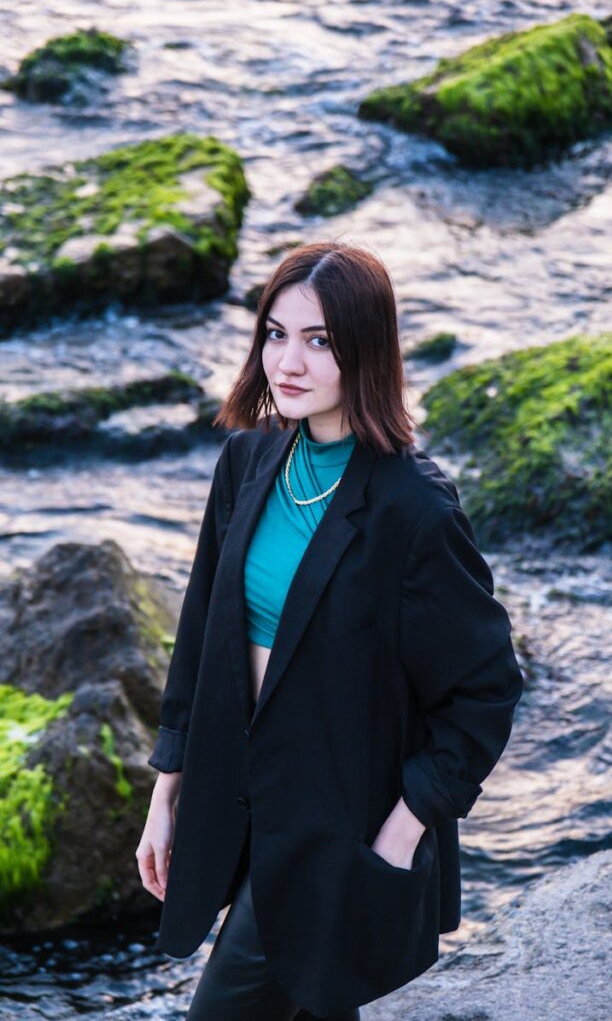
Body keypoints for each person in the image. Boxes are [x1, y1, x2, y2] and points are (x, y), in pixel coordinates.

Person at [136, 240, 524, 1019]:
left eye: (319, 341)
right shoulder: (247, 462)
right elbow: (201, 634)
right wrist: (166, 789)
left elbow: (484, 689)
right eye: (276, 334)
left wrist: (399, 833)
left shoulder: (415, 510)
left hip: (339, 834)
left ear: (365, 352)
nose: (289, 361)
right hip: (243, 802)